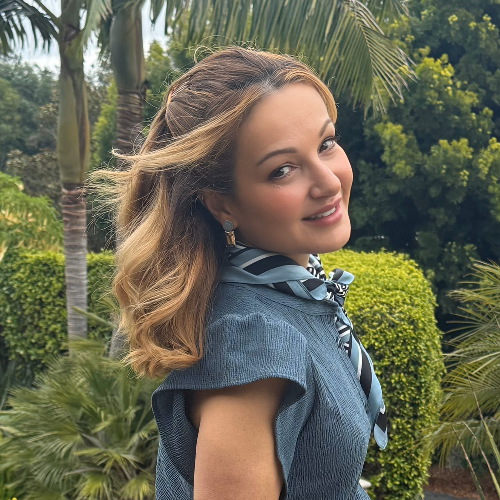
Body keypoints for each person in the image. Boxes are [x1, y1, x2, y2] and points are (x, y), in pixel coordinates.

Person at [104, 46, 387, 500]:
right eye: (282, 170)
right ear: (223, 204)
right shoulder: (254, 344)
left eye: (326, 144)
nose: (329, 181)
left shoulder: (292, 293)